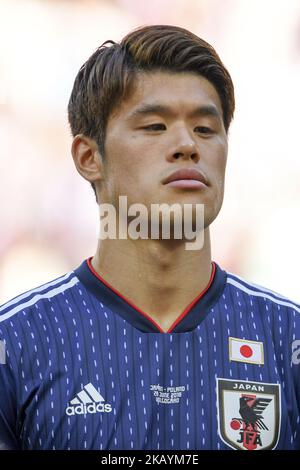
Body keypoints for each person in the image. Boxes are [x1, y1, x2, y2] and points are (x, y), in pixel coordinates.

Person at [0, 24, 299, 452]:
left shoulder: (288, 339)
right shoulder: (16, 345)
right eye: (156, 126)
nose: (187, 146)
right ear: (89, 157)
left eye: (205, 129)